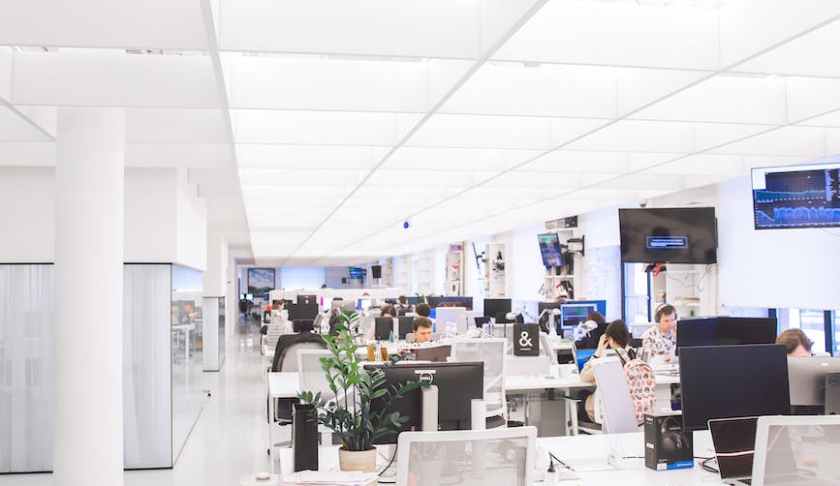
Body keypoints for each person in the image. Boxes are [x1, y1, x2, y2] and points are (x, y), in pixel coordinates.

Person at [579, 320, 637, 421]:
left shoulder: (606, 360)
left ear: (609, 339)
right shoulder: (633, 356)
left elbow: (584, 377)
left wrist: (598, 350)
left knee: (581, 394)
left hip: (605, 414)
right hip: (629, 412)